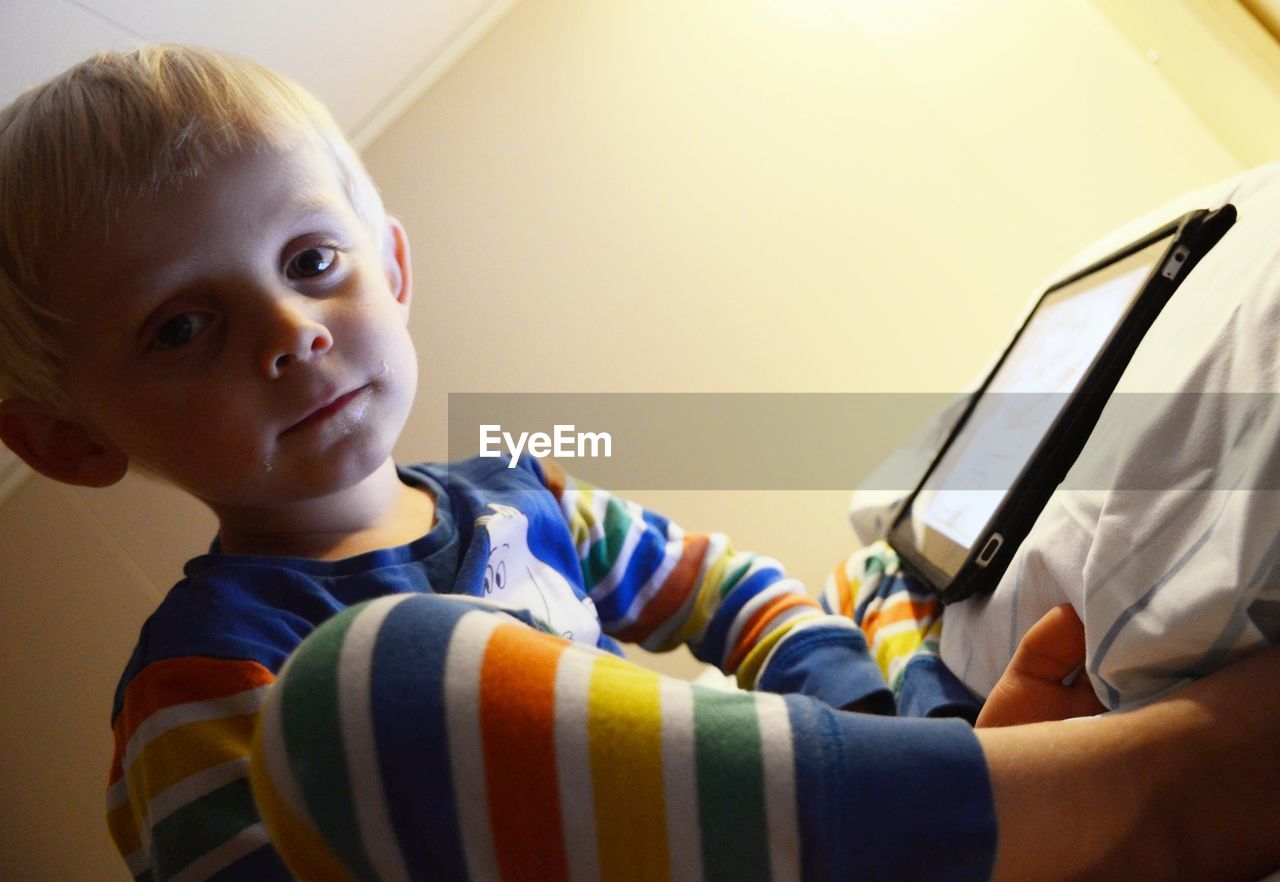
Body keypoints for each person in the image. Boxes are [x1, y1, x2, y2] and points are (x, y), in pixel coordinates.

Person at [0, 43, 1275, 882]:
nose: (291, 334)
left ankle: (980, 789)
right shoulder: (198, 679)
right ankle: (1120, 799)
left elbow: (722, 586)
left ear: (390, 267)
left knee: (869, 588)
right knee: (383, 685)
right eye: (183, 328)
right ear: (69, 441)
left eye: (310, 262)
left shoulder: (520, 492)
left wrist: (884, 723)